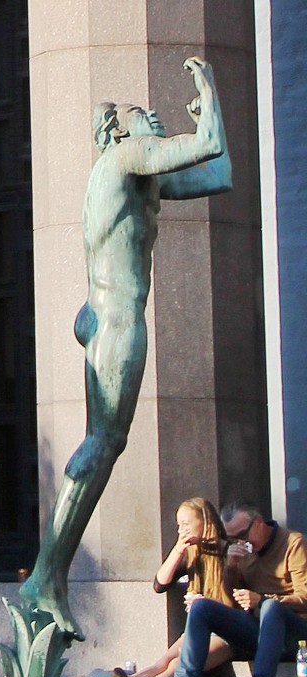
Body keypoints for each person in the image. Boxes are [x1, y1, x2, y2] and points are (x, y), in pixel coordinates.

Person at [20, 57, 231, 639]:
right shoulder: (122, 156)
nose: (154, 117)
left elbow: (218, 170)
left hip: (107, 318)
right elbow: (206, 141)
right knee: (104, 442)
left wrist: (206, 117)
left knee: (105, 443)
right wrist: (207, 91)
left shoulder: (141, 177)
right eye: (143, 114)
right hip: (116, 321)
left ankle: (48, 575)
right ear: (117, 131)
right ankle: (46, 575)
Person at [85, 498, 233, 677]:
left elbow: (238, 607)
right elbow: (160, 584)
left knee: (176, 663)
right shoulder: (192, 554)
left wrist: (206, 604)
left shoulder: (229, 553)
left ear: (205, 523)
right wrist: (179, 549)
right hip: (199, 629)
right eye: (179, 525)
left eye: (187, 524)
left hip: (225, 634)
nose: (182, 530)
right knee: (163, 661)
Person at [171, 502, 307, 677]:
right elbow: (233, 596)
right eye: (234, 538)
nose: (241, 541)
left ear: (259, 523)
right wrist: (231, 567)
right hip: (259, 631)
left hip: (295, 633)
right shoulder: (244, 553)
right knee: (201, 607)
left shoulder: (293, 543)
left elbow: (304, 597)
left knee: (270, 607)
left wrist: (263, 600)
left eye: (243, 534)